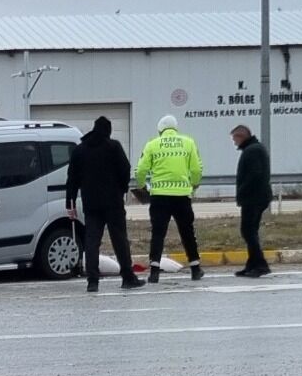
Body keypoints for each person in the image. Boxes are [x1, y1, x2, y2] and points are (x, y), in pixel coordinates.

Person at [64, 116, 146, 293]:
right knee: (120, 240)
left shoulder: (79, 150)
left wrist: (69, 202)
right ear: (108, 131)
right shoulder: (113, 147)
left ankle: (92, 281)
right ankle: (127, 277)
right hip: (113, 202)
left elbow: (71, 179)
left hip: (91, 203)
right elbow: (125, 169)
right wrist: (122, 189)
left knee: (92, 241)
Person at [135, 115, 204, 283]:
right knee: (187, 232)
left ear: (160, 130)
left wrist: (142, 185)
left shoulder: (152, 144)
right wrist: (194, 184)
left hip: (159, 196)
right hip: (182, 196)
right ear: (175, 128)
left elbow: (141, 170)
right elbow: (196, 168)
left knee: (158, 233)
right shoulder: (188, 143)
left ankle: (154, 271)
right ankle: (195, 268)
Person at [231, 124, 273, 277]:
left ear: (241, 136)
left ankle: (260, 265)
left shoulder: (252, 151)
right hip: (257, 197)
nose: (234, 142)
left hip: (254, 198)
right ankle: (252, 264)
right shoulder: (254, 148)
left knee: (248, 231)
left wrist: (242, 190)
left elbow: (255, 174)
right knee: (250, 231)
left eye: (235, 139)